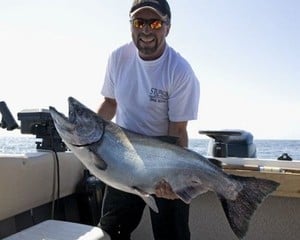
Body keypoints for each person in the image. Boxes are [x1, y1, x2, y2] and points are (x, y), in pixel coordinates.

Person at [97, 0, 200, 239]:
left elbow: (178, 129)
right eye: (138, 22)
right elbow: (110, 103)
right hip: (123, 160)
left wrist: (175, 180)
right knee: (110, 233)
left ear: (167, 27)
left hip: (163, 162)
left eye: (154, 23)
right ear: (131, 25)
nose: (146, 30)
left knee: (172, 236)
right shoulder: (117, 58)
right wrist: (88, 131)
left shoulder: (180, 71)